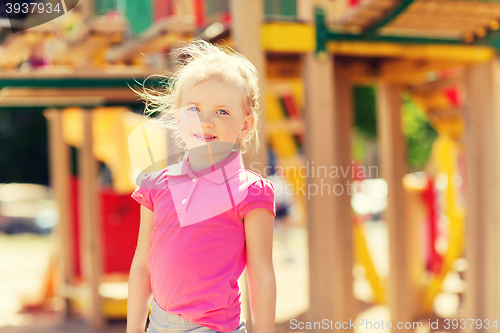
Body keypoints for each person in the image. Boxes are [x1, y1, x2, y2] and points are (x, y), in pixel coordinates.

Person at [126, 39, 277, 333]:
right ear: (178, 114)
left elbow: (260, 276)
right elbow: (142, 265)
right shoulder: (155, 185)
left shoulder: (251, 191)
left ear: (245, 124)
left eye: (222, 112)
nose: (205, 122)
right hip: (157, 324)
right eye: (194, 109)